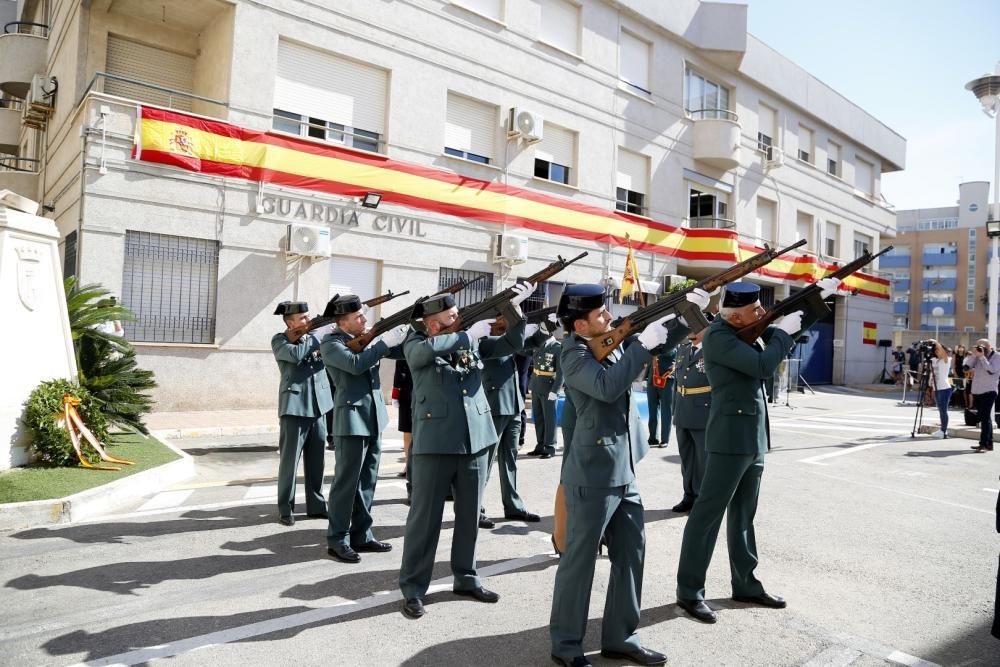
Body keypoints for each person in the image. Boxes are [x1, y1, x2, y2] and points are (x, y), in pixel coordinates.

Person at [549, 283, 708, 667]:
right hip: (591, 472)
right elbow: (606, 387)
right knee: (580, 561)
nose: (609, 316)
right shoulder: (572, 354)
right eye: (600, 314)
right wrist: (639, 345)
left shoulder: (605, 338)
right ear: (580, 326)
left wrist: (685, 315)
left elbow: (660, 345)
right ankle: (566, 644)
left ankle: (621, 637)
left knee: (631, 554)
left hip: (623, 468)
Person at [675, 278, 841, 624]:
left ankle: (746, 583)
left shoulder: (741, 329)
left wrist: (814, 302)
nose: (763, 313)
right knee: (707, 517)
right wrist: (782, 333)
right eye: (756, 309)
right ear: (735, 317)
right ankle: (690, 591)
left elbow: (779, 333)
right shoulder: (719, 338)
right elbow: (764, 366)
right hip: (728, 439)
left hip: (753, 437)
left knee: (744, 517)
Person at [398, 282, 534, 619]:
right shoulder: (417, 341)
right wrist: (465, 335)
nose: (459, 319)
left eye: (458, 315)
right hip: (435, 442)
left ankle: (466, 576)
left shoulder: (471, 341)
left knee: (470, 516)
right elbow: (421, 356)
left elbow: (512, 343)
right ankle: (414, 587)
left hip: (476, 439)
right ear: (432, 324)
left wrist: (512, 309)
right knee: (424, 520)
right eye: (452, 316)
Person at [321, 295, 408, 563]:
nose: (364, 319)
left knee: (368, 481)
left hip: (373, 418)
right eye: (359, 317)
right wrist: (383, 342)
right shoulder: (331, 344)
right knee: (346, 483)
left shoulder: (367, 340)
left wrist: (409, 332)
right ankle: (337, 539)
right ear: (343, 321)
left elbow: (400, 351)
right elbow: (356, 365)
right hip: (351, 419)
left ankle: (362, 533)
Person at [479, 298, 545, 525]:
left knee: (510, 459)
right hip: (495, 404)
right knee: (485, 462)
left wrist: (546, 329)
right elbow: (513, 344)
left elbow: (528, 345)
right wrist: (519, 326)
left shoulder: (508, 338)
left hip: (514, 405)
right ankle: (474, 508)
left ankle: (513, 505)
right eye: (506, 316)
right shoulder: (485, 339)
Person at [270, 301, 333, 526]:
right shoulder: (279, 340)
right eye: (303, 318)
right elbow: (296, 355)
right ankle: (285, 508)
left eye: (308, 316)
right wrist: (316, 336)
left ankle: (316, 505)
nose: (308, 320)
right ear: (290, 322)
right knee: (289, 462)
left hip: (319, 405)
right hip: (295, 406)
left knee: (317, 461)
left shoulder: (315, 336)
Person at [670, 321, 712, 513]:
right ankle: (689, 496)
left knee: (704, 461)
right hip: (682, 410)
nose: (690, 332)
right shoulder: (683, 349)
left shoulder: (712, 350)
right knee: (687, 460)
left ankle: (704, 500)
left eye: (694, 327)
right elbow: (677, 383)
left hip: (703, 411)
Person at [526, 314, 564, 459]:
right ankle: (540, 445)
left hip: (549, 388)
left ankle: (550, 447)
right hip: (536, 386)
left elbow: (561, 373)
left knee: (550, 419)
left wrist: (555, 390)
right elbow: (520, 350)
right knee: (539, 418)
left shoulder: (557, 348)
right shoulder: (537, 344)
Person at [964, 338, 1000, 453]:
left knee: (984, 418)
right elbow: (966, 367)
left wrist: (982, 357)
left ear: (988, 347)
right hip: (977, 391)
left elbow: (992, 370)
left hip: (989, 391)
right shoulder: (977, 356)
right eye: (977, 346)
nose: (979, 348)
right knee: (984, 418)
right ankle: (988, 444)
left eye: (981, 346)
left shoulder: (997, 356)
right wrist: (975, 355)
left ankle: (983, 444)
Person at [645, 349, 676, 447]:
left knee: (666, 411)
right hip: (652, 377)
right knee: (652, 410)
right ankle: (653, 437)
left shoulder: (672, 337)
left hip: (666, 378)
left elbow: (671, 351)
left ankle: (665, 439)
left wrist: (656, 347)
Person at [392, 359, 413, 495]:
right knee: (407, 432)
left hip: (423, 393)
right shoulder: (404, 352)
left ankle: (411, 466)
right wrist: (395, 396)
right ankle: (408, 465)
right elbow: (398, 375)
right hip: (406, 396)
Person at [927, 340, 953, 439]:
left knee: (943, 410)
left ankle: (944, 430)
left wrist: (935, 342)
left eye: (939, 349)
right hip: (936, 388)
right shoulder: (934, 360)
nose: (938, 351)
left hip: (944, 388)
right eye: (936, 350)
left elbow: (943, 352)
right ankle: (942, 430)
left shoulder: (946, 359)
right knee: (940, 410)